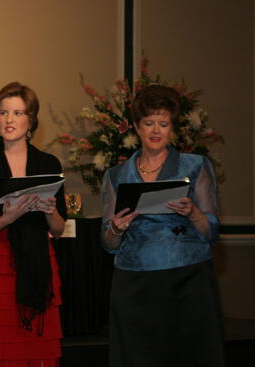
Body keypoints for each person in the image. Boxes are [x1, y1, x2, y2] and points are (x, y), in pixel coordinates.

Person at [101, 84, 224, 367]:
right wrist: (117, 228)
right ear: (136, 127)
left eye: (163, 123)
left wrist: (192, 212)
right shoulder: (117, 175)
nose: (156, 130)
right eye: (148, 123)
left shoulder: (195, 166)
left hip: (187, 279)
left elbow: (212, 232)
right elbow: (107, 244)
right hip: (134, 284)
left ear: (172, 128)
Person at [0, 82, 66, 367]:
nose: (9, 120)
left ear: (31, 119)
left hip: (39, 262)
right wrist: (6, 219)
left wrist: (49, 211)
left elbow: (59, 229)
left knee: (38, 351)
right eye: (3, 113)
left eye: (18, 113)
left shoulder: (48, 163)